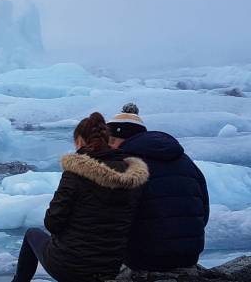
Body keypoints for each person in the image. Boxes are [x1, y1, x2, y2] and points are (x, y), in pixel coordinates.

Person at [11, 112, 149, 282]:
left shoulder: (75, 173)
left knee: (32, 234)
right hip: (111, 266)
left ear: (80, 141)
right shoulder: (133, 175)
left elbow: (52, 222)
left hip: (71, 266)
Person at [107, 103, 210, 271]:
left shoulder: (126, 164)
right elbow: (204, 209)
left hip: (144, 258)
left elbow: (114, 217)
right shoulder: (186, 160)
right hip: (190, 255)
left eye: (110, 140)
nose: (108, 146)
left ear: (119, 138)